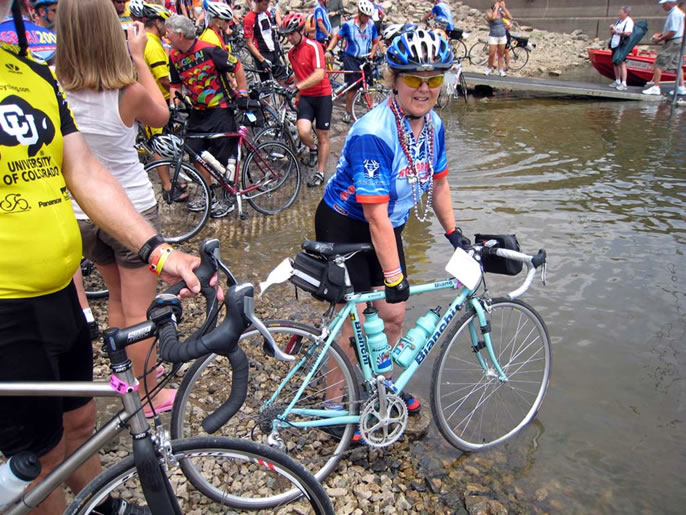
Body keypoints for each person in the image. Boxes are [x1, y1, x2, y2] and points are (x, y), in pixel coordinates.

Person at [0, 0, 202, 512]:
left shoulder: (34, 76)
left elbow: (84, 170)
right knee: (36, 457)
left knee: (80, 420)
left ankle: (98, 503)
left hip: (55, 292)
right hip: (8, 307)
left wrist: (159, 251)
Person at [315, 30, 468, 440]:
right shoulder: (374, 132)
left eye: (434, 79)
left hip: (388, 225)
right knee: (353, 322)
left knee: (394, 313)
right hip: (346, 223)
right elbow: (374, 215)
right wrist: (395, 277)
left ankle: (380, 387)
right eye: (414, 78)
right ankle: (333, 407)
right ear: (394, 80)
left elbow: (439, 184)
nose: (424, 89)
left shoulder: (433, 125)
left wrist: (453, 233)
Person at [56, 0, 180, 419]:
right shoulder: (127, 92)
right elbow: (162, 116)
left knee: (116, 296)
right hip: (130, 211)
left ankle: (126, 378)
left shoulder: (54, 88)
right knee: (141, 308)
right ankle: (148, 396)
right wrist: (138, 58)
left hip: (83, 213)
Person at [167, 14, 249, 217]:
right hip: (197, 111)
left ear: (179, 34)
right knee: (194, 151)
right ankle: (208, 193)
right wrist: (173, 106)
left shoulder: (210, 50)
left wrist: (243, 93)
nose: (166, 37)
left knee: (222, 155)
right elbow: (175, 84)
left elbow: (237, 66)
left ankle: (228, 197)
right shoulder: (174, 56)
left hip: (220, 108)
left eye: (168, 33)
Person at [281, 12, 333, 188]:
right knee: (303, 131)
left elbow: (319, 74)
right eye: (286, 35)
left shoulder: (314, 46)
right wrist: (294, 92)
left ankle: (320, 172)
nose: (289, 38)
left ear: (300, 31)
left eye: (291, 34)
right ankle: (313, 148)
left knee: (322, 135)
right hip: (306, 97)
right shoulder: (291, 53)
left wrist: (297, 88)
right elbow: (298, 75)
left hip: (323, 95)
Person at [326, 0, 380, 123]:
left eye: (369, 16)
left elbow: (375, 42)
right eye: (365, 16)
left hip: (365, 58)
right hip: (350, 58)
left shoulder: (371, 25)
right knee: (353, 86)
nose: (367, 18)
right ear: (360, 13)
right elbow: (337, 37)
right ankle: (347, 112)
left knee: (369, 84)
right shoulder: (349, 25)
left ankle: (371, 109)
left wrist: (371, 56)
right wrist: (329, 49)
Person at [642, 0, 685, 96]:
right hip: (678, 41)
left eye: (664, 4)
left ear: (670, 3)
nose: (663, 6)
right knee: (677, 64)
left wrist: (659, 39)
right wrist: (662, 34)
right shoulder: (679, 12)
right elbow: (674, 30)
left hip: (672, 42)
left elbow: (673, 31)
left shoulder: (674, 14)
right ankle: (681, 87)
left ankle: (656, 87)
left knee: (659, 63)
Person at [243, 0, 286, 82]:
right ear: (257, 2)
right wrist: (262, 60)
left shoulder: (267, 13)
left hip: (273, 51)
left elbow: (269, 32)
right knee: (267, 83)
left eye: (267, 4)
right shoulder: (249, 19)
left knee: (283, 79)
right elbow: (249, 43)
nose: (267, 6)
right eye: (264, 4)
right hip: (262, 53)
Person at [608, 6, 634, 91]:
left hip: (622, 45)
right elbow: (614, 32)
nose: (619, 13)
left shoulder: (629, 21)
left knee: (621, 63)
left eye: (621, 11)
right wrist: (612, 29)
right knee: (615, 62)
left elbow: (628, 33)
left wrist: (617, 32)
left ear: (626, 13)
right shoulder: (619, 21)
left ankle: (624, 83)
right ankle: (617, 80)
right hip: (615, 44)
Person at [485, 0, 511, 76]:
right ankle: (489, 68)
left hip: (502, 35)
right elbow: (492, 17)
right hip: (493, 36)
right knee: (491, 53)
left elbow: (509, 17)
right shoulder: (489, 12)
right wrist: (496, 8)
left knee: (501, 54)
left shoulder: (501, 13)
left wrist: (504, 8)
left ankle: (501, 70)